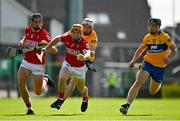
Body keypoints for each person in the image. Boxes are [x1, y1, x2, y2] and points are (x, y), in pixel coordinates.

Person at [120, 18, 178, 115]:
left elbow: (174, 49)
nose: (150, 28)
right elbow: (139, 51)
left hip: (159, 67)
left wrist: (169, 57)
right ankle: (127, 105)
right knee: (138, 82)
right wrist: (133, 60)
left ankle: (158, 83)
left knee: (152, 91)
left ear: (158, 27)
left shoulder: (165, 37)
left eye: (153, 26)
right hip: (147, 63)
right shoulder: (147, 37)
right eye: (149, 25)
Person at [43, 24, 90, 112]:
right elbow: (57, 39)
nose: (75, 34)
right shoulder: (67, 37)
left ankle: (85, 98)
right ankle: (60, 99)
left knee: (82, 89)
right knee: (62, 78)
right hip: (68, 63)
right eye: (74, 32)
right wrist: (47, 47)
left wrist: (84, 57)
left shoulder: (83, 43)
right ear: (71, 32)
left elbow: (88, 53)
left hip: (79, 68)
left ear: (81, 34)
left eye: (78, 33)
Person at [18, 13, 57, 115]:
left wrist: (46, 45)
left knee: (38, 92)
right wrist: (22, 42)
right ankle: (29, 108)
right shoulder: (28, 30)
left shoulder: (44, 34)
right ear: (32, 22)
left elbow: (54, 50)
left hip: (38, 64)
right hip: (26, 61)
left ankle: (45, 79)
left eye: (40, 22)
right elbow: (25, 38)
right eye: (36, 21)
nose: (38, 24)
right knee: (21, 83)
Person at [64, 18, 99, 99]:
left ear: (92, 28)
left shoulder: (93, 35)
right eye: (85, 26)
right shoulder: (77, 30)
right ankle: (85, 96)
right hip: (73, 58)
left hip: (86, 61)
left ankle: (61, 101)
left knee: (73, 81)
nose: (86, 29)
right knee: (63, 78)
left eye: (89, 27)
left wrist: (85, 58)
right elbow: (65, 36)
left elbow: (92, 51)